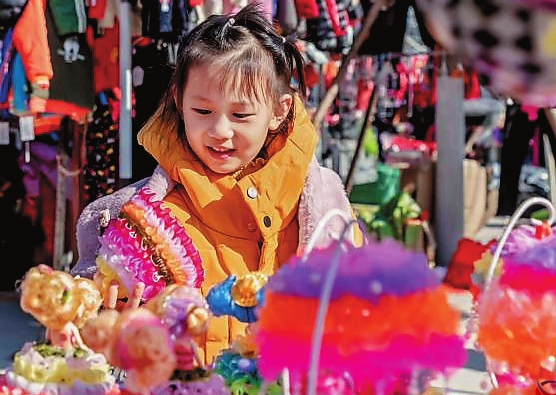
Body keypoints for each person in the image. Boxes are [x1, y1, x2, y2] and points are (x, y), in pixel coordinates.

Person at [72, 4, 359, 363]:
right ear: (179, 102)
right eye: (203, 111)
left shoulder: (320, 207)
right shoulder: (141, 217)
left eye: (240, 114)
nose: (220, 131)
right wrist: (107, 321)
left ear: (279, 110)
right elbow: (82, 335)